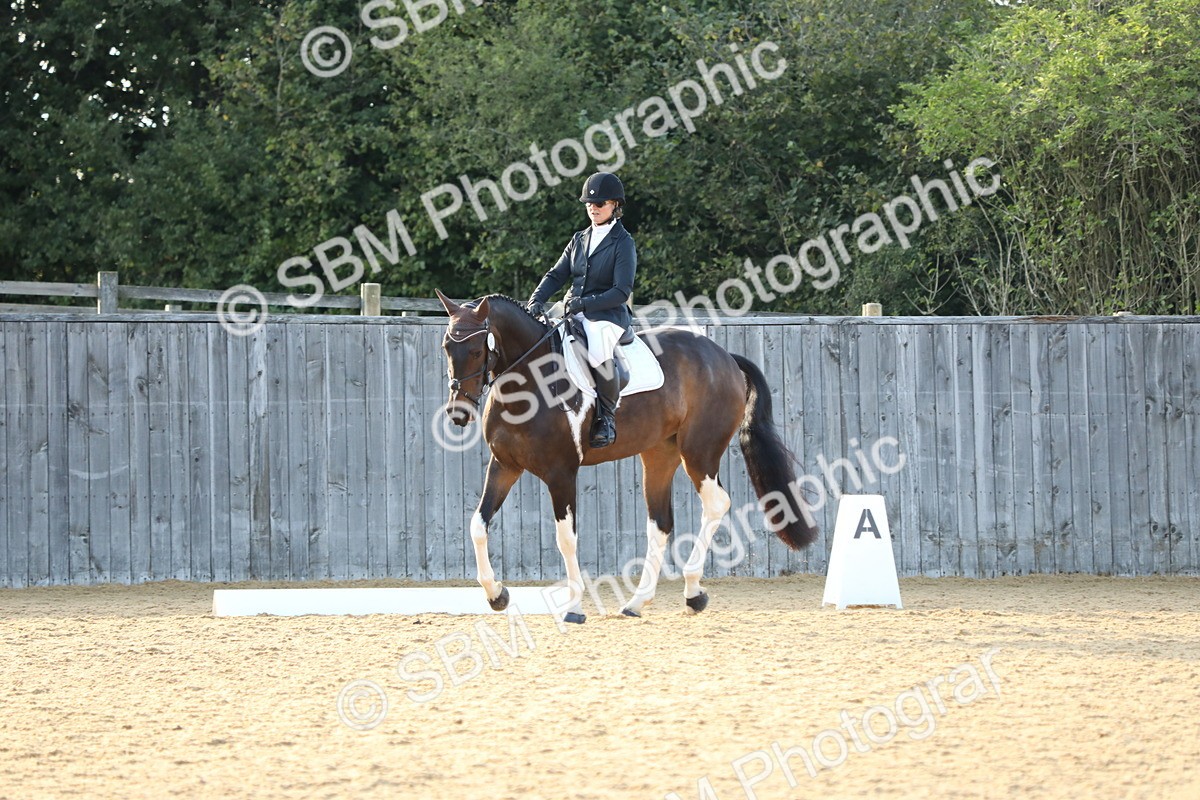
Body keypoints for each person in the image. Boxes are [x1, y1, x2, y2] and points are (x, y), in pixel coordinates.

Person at [527, 171, 636, 448]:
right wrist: (536, 299)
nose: (593, 208)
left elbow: (621, 291)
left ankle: (606, 418)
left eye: (600, 203)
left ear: (615, 206)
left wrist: (585, 304)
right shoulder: (579, 238)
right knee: (538, 338)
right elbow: (555, 275)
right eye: (590, 203)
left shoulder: (623, 243)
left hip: (606, 315)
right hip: (570, 309)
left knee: (599, 349)